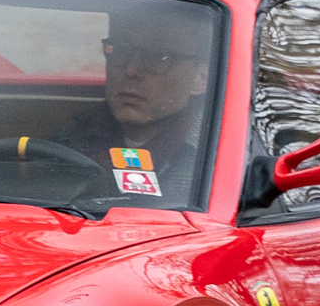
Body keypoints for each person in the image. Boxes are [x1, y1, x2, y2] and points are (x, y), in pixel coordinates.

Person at [54, 14, 213, 197]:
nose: (131, 70)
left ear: (201, 77)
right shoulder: (75, 133)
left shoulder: (215, 156)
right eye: (120, 50)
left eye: (159, 56)